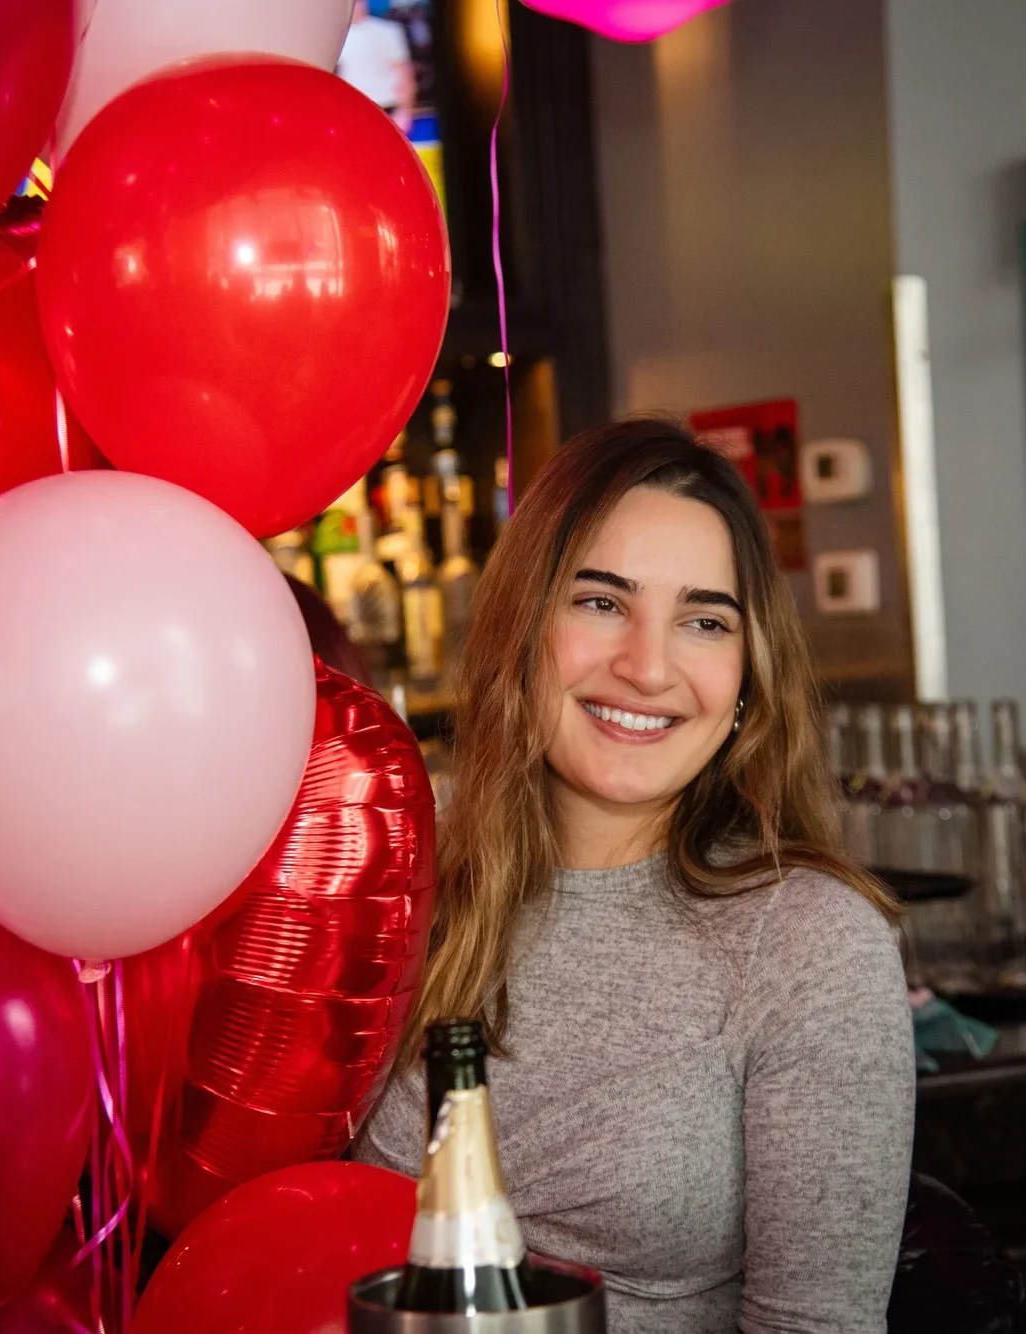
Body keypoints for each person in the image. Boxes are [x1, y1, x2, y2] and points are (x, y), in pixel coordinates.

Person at [356, 418, 914, 1332]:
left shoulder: (808, 943)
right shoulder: (398, 886)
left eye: (703, 620)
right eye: (601, 603)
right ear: (522, 626)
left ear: (745, 679)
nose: (648, 667)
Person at [337, 0, 417, 135]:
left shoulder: (387, 31)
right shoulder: (337, 37)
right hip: (354, 110)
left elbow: (404, 73)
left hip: (388, 108)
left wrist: (405, 110)